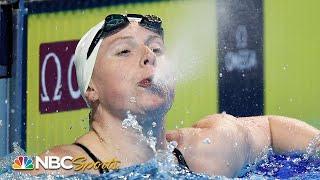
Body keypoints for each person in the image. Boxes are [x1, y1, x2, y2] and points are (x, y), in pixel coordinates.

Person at [26, 14, 319, 177]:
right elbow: (18, 169)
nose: (148, 57)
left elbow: (269, 129)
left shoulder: (204, 151)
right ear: (91, 88)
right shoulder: (64, 165)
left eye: (157, 49)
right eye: (124, 51)